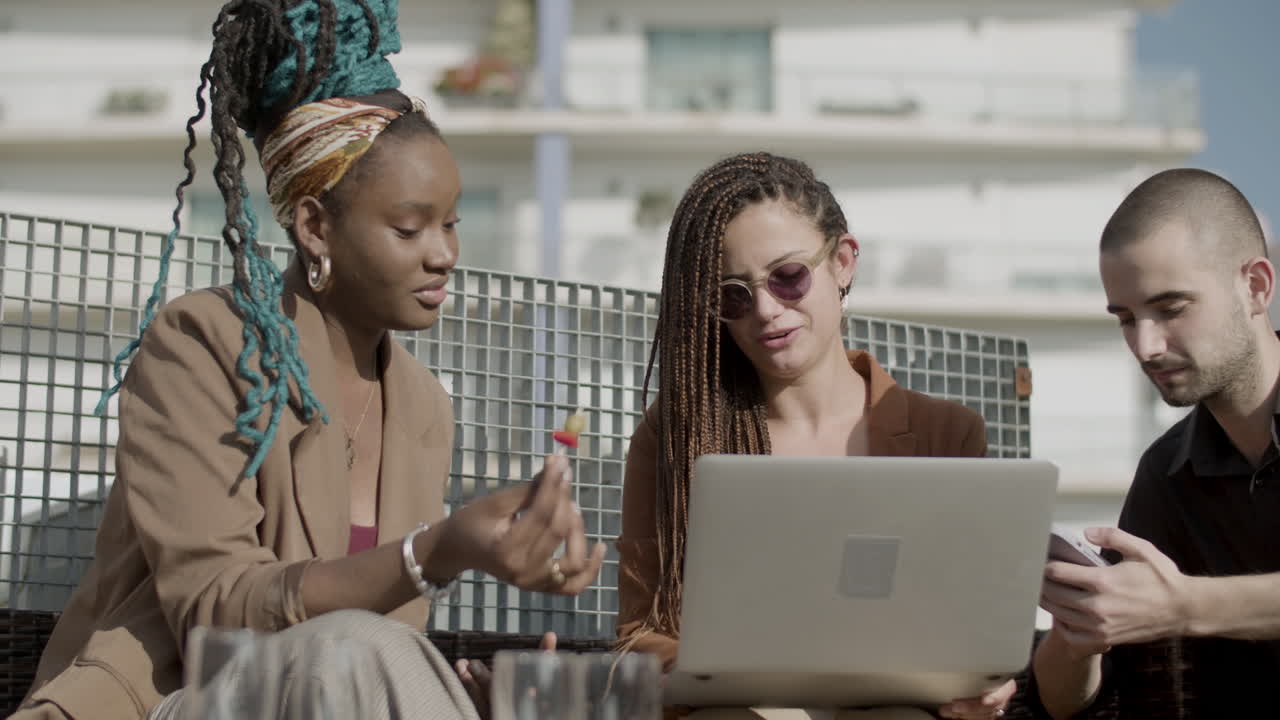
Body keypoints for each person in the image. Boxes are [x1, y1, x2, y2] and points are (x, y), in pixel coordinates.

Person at [13, 2, 604, 719]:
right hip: (171, 701)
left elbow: (369, 647)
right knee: (355, 648)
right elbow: (218, 618)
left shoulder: (421, 404)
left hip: (316, 693)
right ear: (316, 226)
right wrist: (437, 550)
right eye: (410, 227)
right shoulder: (203, 343)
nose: (444, 254)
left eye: (451, 223)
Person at [614, 152, 1015, 720]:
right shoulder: (674, 436)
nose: (767, 311)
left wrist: (981, 681)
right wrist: (726, 681)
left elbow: (967, 626)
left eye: (788, 276)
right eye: (733, 295)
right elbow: (639, 635)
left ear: (843, 262)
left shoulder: (945, 433)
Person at [1031, 168, 1280, 718]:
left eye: (1170, 309)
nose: (1145, 345)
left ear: (1256, 287)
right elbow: (1064, 703)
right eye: (1125, 318)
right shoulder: (1167, 469)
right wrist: (1080, 632)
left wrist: (1184, 607)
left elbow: (1173, 609)